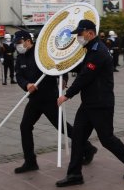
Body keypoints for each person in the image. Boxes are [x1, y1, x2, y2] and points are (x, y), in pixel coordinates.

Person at [55, 19, 124, 187]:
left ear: (90, 33)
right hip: (88, 104)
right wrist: (63, 68)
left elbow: (86, 76)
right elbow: (82, 68)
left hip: (101, 104)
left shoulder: (99, 51)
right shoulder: (90, 49)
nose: (78, 37)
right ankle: (74, 175)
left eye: (80, 34)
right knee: (78, 138)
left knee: (106, 139)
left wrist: (67, 95)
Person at [12, 31, 97, 174]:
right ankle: (30, 161)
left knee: (63, 127)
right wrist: (26, 85)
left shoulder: (41, 53)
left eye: (19, 43)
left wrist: (63, 80)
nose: (17, 46)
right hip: (34, 100)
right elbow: (18, 75)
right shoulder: (20, 58)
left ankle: (88, 148)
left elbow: (59, 65)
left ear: (27, 41)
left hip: (49, 98)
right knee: (25, 127)